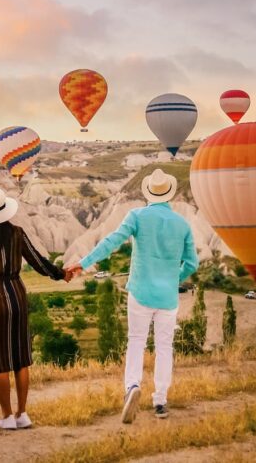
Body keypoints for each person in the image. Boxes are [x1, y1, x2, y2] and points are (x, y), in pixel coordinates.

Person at [65, 169, 198, 423]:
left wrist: (83, 263)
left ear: (148, 193)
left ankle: (132, 388)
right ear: (169, 194)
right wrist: (174, 279)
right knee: (164, 346)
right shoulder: (182, 225)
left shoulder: (136, 216)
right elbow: (192, 264)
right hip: (167, 297)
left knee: (136, 341)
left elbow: (112, 242)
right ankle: (160, 401)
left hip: (140, 292)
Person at [0, 186, 73, 430]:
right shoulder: (17, 233)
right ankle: (22, 414)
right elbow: (38, 261)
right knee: (20, 358)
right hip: (17, 295)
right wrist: (60, 274)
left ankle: (7, 417)